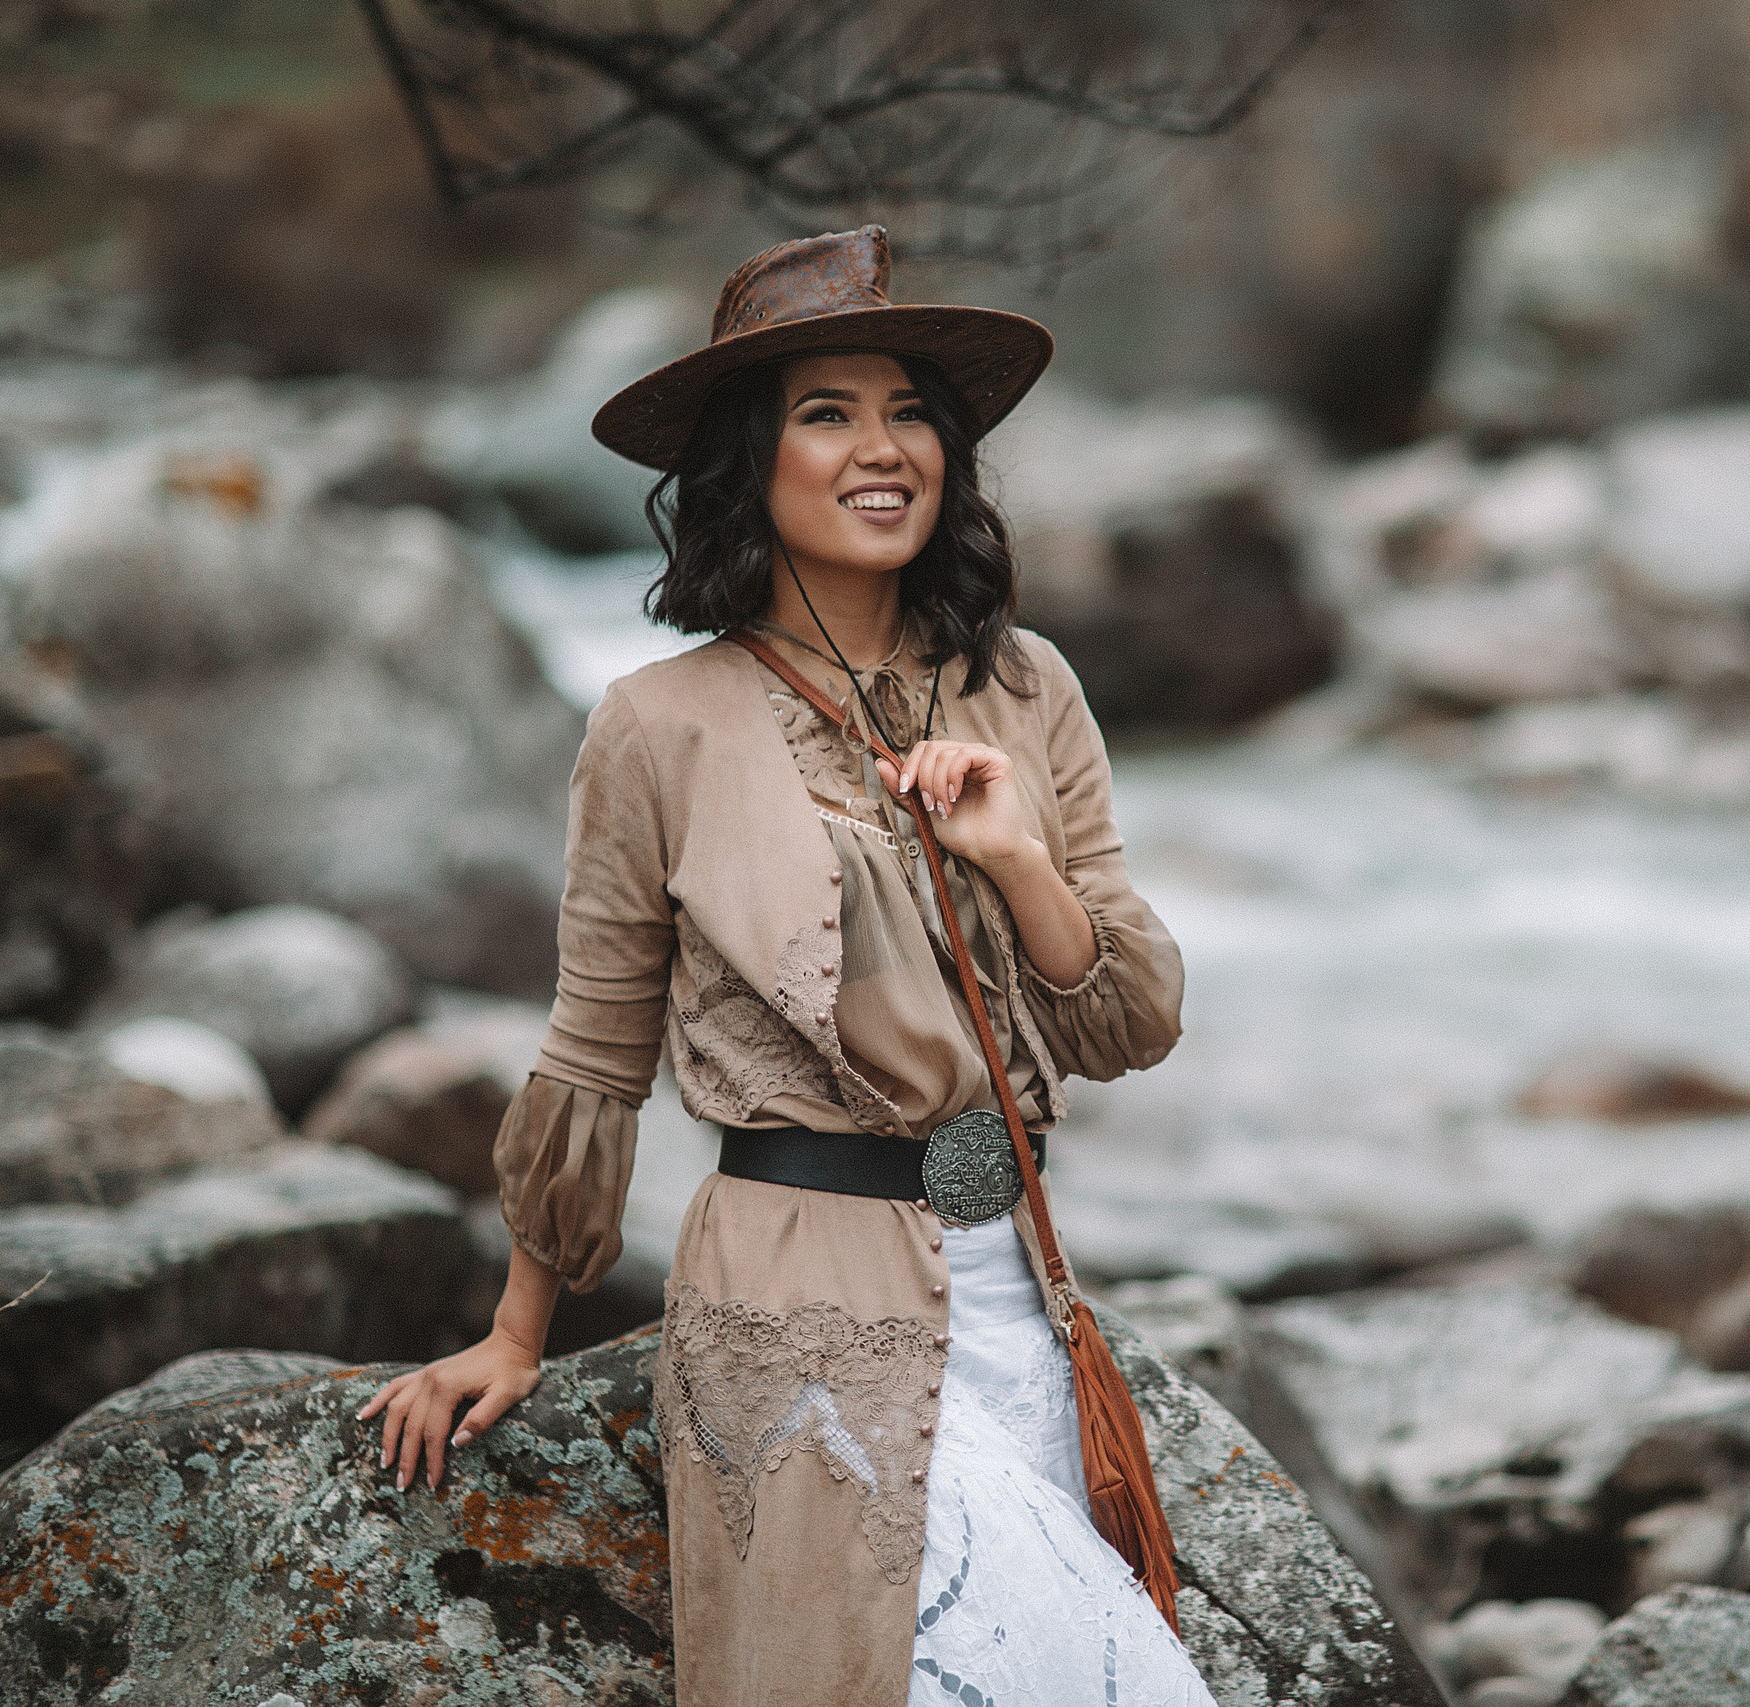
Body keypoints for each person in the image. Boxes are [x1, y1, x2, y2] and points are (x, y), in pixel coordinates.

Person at [361, 226, 1211, 1707]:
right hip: (793, 1302)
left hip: (1024, 1287)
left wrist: (1018, 860)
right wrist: (515, 1333)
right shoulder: (657, 723)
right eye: (828, 413)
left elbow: (1130, 1020)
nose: (883, 450)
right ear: (749, 462)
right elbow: (593, 1053)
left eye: (908, 413)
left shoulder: (1028, 685)